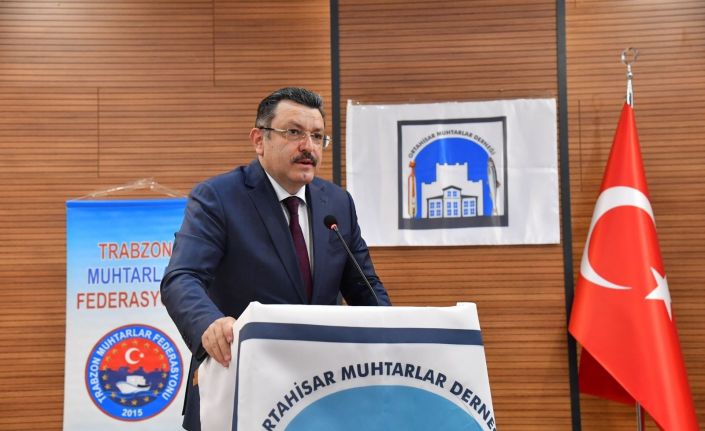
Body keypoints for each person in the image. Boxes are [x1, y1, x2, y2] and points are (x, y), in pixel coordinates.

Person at [160, 87, 391, 431]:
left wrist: (396, 335)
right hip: (240, 382)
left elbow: (364, 285)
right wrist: (209, 324)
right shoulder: (219, 197)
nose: (308, 146)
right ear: (259, 140)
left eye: (317, 136)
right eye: (294, 132)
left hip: (322, 392)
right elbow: (181, 278)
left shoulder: (337, 203)